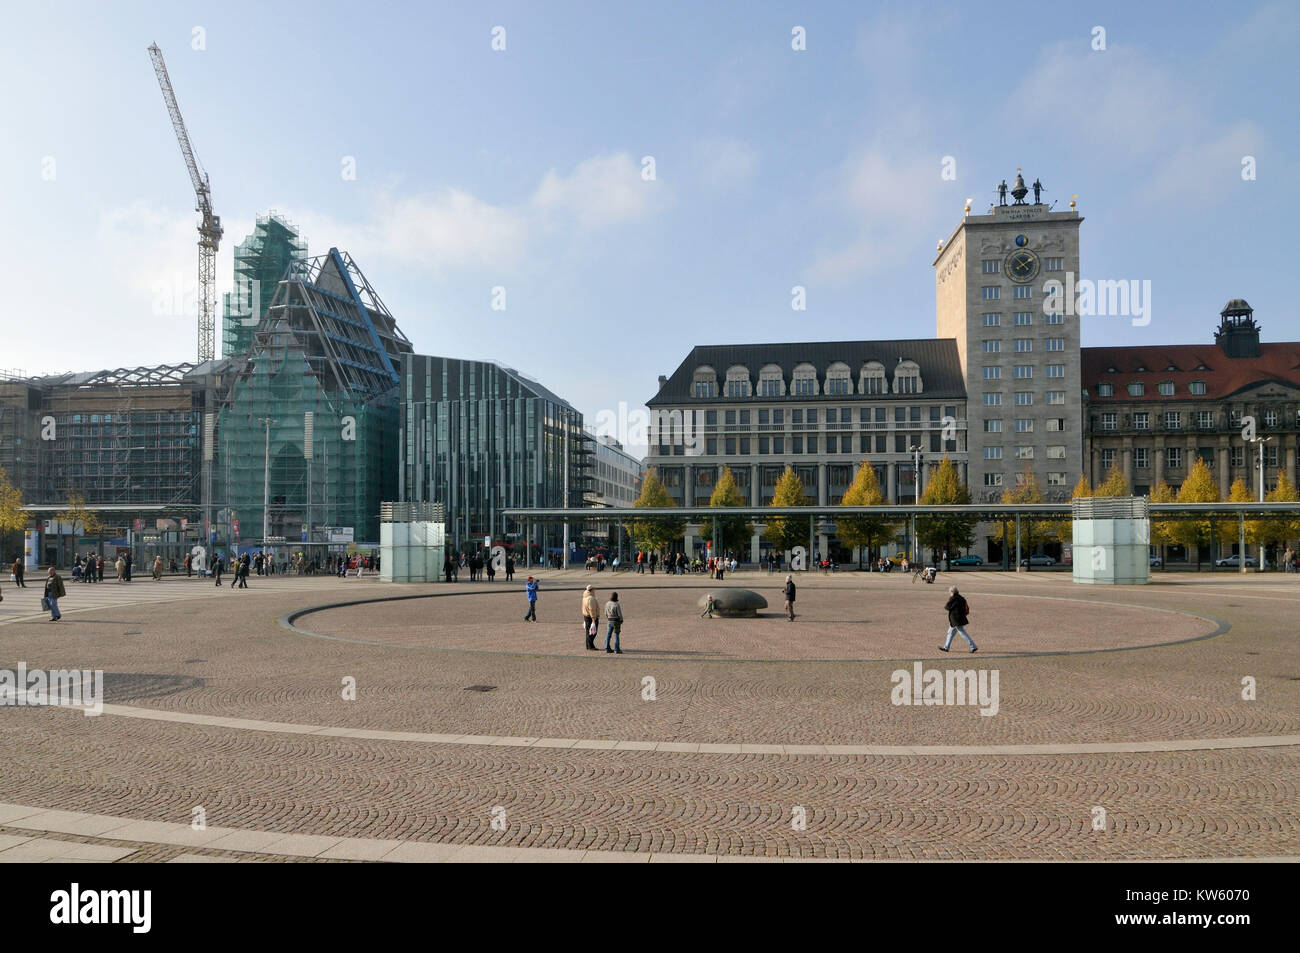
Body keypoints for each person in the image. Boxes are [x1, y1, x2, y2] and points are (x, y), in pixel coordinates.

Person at [939, 585, 978, 653]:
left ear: (952, 591)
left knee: (963, 633)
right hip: (960, 618)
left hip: (955, 620)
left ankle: (973, 646)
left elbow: (947, 607)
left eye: (950, 592)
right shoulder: (962, 598)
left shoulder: (953, 598)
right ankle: (946, 647)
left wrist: (951, 599)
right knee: (950, 633)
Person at [582, 585, 600, 650]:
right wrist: (593, 619)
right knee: (593, 632)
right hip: (591, 617)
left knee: (588, 631)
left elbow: (584, 607)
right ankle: (590, 646)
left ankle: (588, 645)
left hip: (586, 616)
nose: (595, 590)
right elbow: (592, 609)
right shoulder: (591, 598)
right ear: (592, 590)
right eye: (594, 589)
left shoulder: (584, 597)